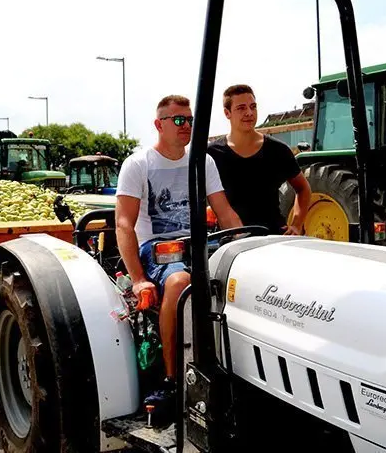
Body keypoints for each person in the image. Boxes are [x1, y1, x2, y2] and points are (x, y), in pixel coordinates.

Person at [115, 94, 243, 423]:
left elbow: (225, 211)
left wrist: (246, 244)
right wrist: (140, 278)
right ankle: (173, 381)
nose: (187, 126)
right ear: (159, 125)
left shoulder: (203, 162)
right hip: (157, 248)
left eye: (190, 120)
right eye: (179, 120)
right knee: (179, 282)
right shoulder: (139, 164)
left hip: (199, 243)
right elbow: (124, 224)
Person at [208, 84, 311, 235]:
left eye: (253, 106)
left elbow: (303, 188)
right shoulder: (212, 154)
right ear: (227, 113)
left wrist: (296, 224)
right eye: (241, 108)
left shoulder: (278, 150)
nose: (249, 113)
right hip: (231, 241)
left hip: (273, 236)